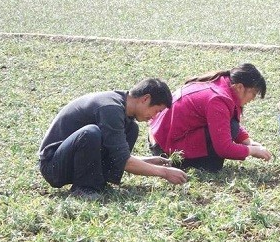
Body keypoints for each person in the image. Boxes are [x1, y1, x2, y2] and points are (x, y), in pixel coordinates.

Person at [38, 78, 188, 199]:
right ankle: (84, 188)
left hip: (71, 159)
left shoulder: (121, 107)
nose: (153, 117)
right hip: (53, 166)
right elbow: (123, 160)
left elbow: (117, 153)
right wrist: (164, 173)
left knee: (131, 129)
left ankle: (99, 181)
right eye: (156, 111)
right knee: (90, 133)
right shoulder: (110, 108)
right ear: (145, 99)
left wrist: (148, 160)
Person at [148, 63, 272, 172]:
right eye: (254, 93)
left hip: (159, 136)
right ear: (240, 87)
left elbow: (223, 121)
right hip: (164, 149)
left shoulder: (221, 83)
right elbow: (224, 148)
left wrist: (247, 141)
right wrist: (252, 151)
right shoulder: (218, 100)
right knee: (214, 162)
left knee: (232, 127)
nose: (253, 99)